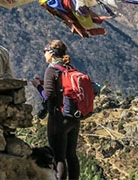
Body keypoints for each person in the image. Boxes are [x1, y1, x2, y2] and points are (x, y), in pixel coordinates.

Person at [31, 40, 80, 180]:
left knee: (59, 157)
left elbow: (48, 96)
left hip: (58, 117)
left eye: (45, 51)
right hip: (73, 116)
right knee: (71, 154)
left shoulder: (51, 69)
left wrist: (38, 86)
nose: (44, 54)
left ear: (51, 53)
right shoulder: (68, 68)